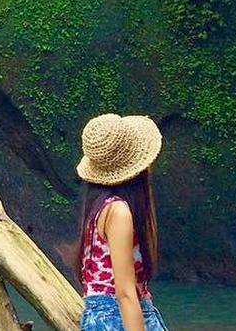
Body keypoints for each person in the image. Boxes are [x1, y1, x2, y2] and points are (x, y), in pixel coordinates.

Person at [74, 113, 169, 331]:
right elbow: (125, 293)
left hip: (103, 316)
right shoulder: (119, 212)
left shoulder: (100, 208)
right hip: (117, 318)